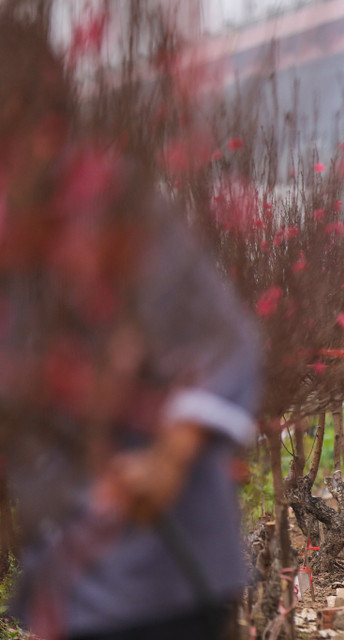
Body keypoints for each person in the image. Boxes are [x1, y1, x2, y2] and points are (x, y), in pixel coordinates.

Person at [0, 12, 260, 640]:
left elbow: (223, 343)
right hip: (63, 574)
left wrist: (170, 457)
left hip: (168, 568)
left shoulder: (115, 203)